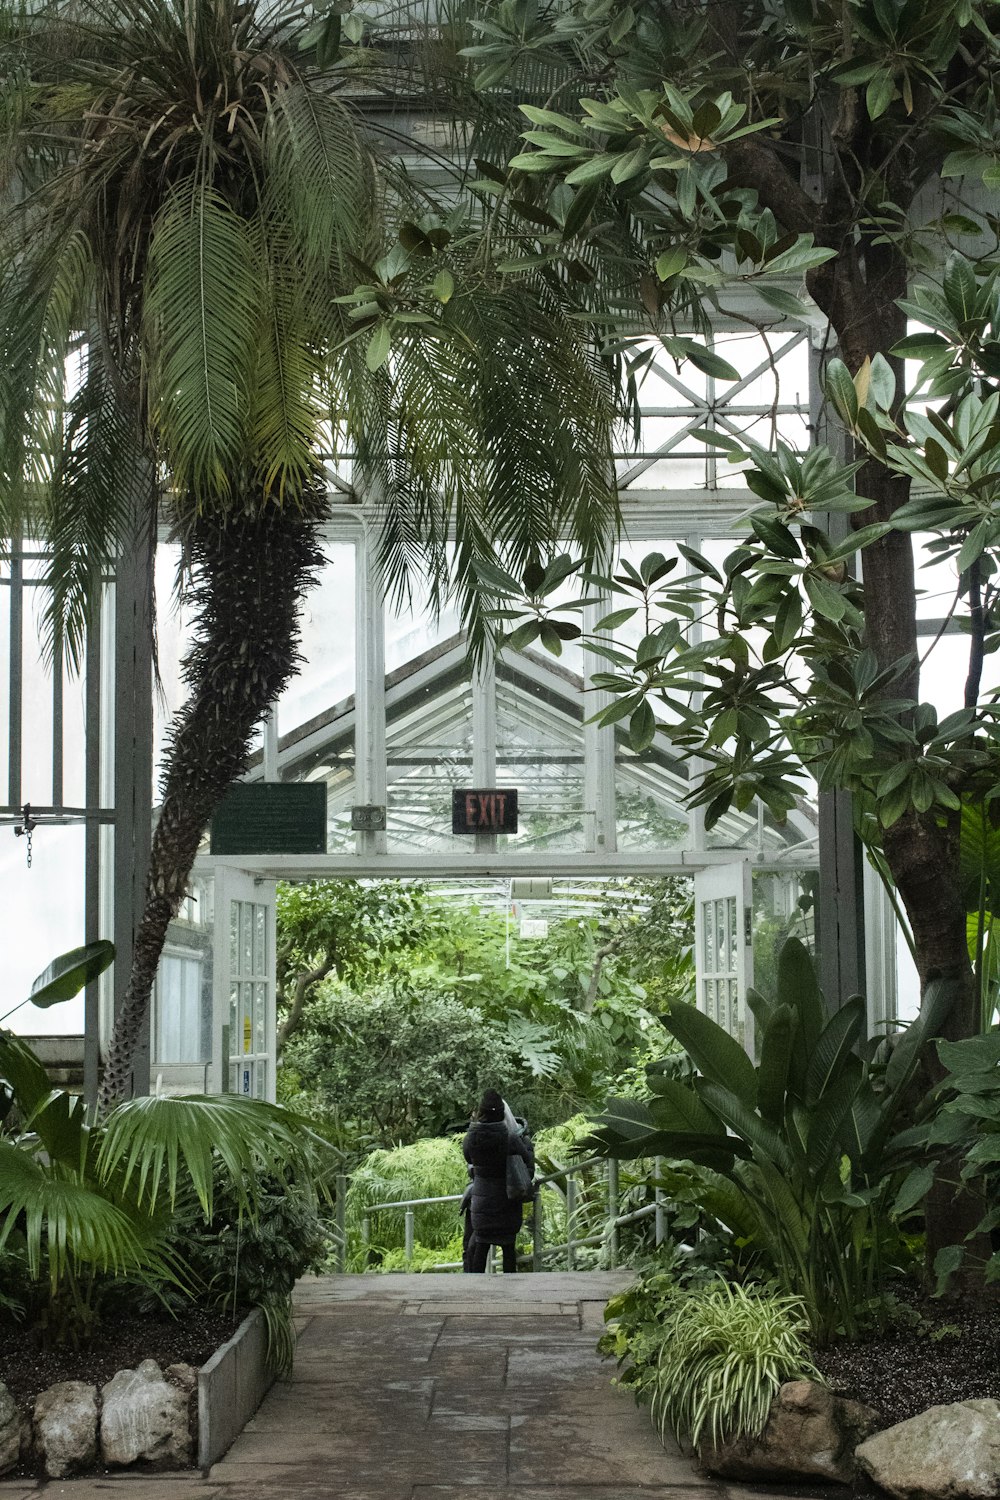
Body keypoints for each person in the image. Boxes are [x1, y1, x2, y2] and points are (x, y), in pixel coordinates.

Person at [462, 1089, 534, 1274]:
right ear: (502, 1113)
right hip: (507, 1202)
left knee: (481, 1245)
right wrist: (527, 1144)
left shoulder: (471, 1137)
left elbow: (469, 1159)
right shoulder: (510, 1138)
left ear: (481, 1112)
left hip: (482, 1202)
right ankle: (509, 1295)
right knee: (508, 1248)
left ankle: (476, 1290)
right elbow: (527, 1161)